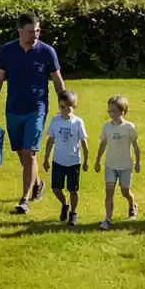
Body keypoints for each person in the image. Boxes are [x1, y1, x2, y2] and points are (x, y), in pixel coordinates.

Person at [0, 12, 68, 214]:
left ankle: (24, 199)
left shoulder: (47, 52)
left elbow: (57, 79)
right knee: (21, 153)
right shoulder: (8, 51)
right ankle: (37, 183)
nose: (35, 35)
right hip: (13, 108)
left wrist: (65, 104)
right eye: (31, 32)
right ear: (20, 31)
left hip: (37, 108)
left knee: (30, 153)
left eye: (38, 30)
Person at [94, 94, 141, 231]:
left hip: (125, 166)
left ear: (122, 111)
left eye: (113, 111)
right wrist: (97, 161)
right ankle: (107, 219)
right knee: (109, 191)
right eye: (109, 111)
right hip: (110, 165)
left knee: (125, 190)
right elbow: (103, 144)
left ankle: (132, 205)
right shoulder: (106, 127)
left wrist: (138, 162)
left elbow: (136, 146)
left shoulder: (129, 128)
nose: (110, 114)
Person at [42, 89, 89, 226]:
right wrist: (46, 158)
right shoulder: (55, 121)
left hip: (74, 161)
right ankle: (64, 204)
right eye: (61, 107)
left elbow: (84, 142)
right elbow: (50, 140)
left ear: (73, 107)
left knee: (73, 190)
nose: (63, 110)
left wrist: (86, 160)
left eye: (66, 107)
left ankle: (73, 213)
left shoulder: (78, 122)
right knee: (56, 188)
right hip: (58, 161)